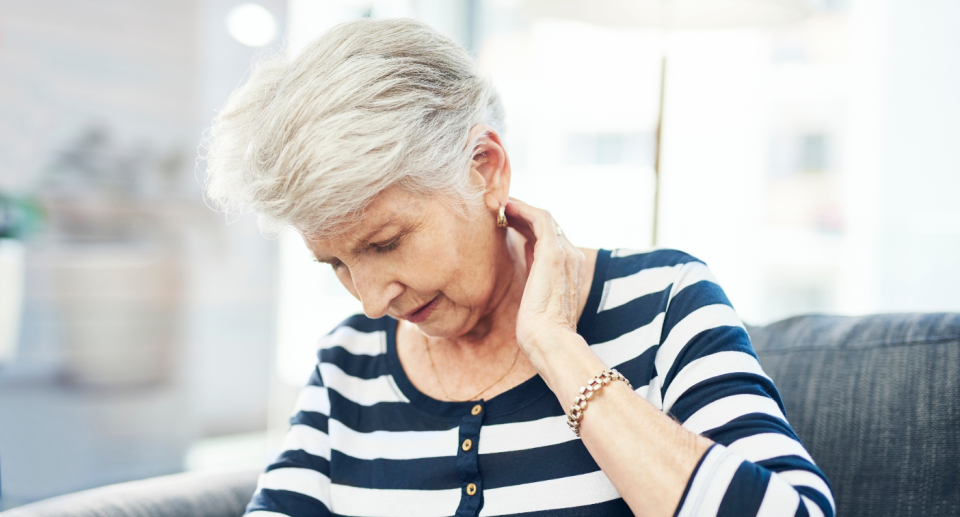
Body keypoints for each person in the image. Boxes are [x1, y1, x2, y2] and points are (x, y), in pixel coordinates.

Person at [204, 18, 834, 517]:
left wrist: (557, 348)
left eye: (386, 243)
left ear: (484, 168)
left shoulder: (665, 302)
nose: (370, 300)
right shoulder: (351, 362)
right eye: (336, 263)